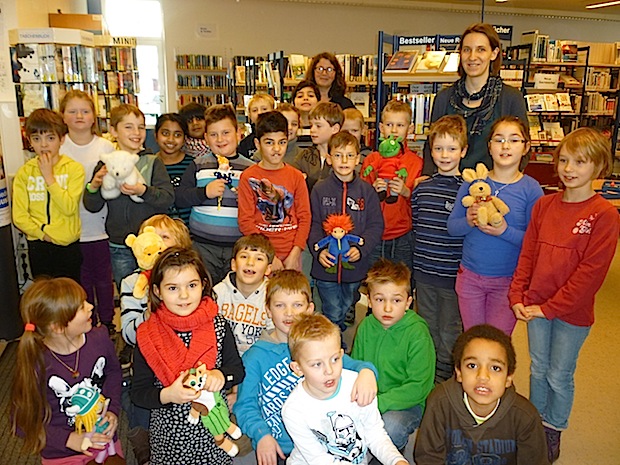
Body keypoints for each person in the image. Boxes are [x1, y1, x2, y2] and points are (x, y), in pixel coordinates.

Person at [508, 127, 620, 463]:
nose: (569, 169)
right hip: (535, 306)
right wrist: (518, 294)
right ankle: (536, 426)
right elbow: (528, 253)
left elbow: (590, 275)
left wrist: (549, 308)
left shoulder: (605, 214)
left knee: (559, 373)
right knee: (538, 368)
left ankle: (553, 428)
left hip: (571, 314)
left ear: (599, 167)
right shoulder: (544, 205)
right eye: (564, 161)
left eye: (580, 162)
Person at [233, 270, 379, 465]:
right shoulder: (255, 357)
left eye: (297, 305)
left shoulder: (318, 346)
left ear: (309, 308)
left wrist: (367, 372)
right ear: (267, 310)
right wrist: (262, 435)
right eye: (279, 305)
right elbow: (245, 405)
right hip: (281, 447)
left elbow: (354, 365)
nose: (289, 313)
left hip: (324, 444)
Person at [130, 247, 245, 465]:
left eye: (191, 285)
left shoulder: (219, 325)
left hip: (213, 433)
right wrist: (168, 395)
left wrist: (220, 376)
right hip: (169, 438)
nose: (184, 295)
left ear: (203, 284)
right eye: (173, 288)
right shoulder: (147, 335)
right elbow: (139, 393)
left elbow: (237, 370)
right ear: (157, 291)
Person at [447, 116, 543, 335]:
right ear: (489, 147)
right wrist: (469, 221)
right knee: (472, 340)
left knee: (497, 343)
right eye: (499, 140)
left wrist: (504, 231)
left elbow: (534, 241)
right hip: (470, 277)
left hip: (508, 281)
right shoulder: (474, 184)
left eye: (514, 140)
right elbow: (452, 227)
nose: (505, 146)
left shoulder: (531, 189)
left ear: (526, 147)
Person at [11, 277, 124, 464]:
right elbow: (22, 422)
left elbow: (113, 373)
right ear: (57, 327)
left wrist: (112, 412)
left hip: (102, 438)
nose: (90, 307)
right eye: (81, 307)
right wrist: (69, 439)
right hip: (62, 451)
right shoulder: (37, 363)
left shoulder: (100, 338)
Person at [283, 313, 408, 465]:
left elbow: (375, 434)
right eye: (317, 364)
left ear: (342, 354)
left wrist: (396, 460)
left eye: (335, 359)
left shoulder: (358, 385)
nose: (329, 371)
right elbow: (319, 459)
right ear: (298, 368)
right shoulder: (294, 410)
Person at [414, 324, 548, 465]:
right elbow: (428, 458)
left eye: (495, 368)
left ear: (509, 378)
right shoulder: (439, 402)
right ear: (458, 373)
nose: (483, 376)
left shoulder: (525, 416)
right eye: (472, 366)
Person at [83, 104, 174, 288]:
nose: (136, 132)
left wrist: (143, 191)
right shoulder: (105, 163)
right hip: (120, 246)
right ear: (113, 131)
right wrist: (93, 185)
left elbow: (167, 199)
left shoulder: (153, 161)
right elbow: (92, 205)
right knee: (127, 293)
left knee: (156, 293)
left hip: (152, 245)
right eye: (128, 127)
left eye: (141, 127)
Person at [351, 259, 435, 454]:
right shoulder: (366, 326)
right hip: (370, 398)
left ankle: (392, 453)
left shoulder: (417, 333)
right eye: (380, 300)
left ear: (408, 302)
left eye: (396, 300)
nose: (388, 308)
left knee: (391, 426)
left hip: (407, 403)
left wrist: (379, 404)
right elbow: (355, 366)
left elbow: (418, 386)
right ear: (369, 300)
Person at [422, 23, 528, 175]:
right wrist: (428, 178)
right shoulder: (444, 98)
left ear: (494, 53)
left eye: (481, 49)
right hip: (447, 186)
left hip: (491, 188)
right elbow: (430, 144)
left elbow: (521, 149)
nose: (472, 57)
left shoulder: (511, 98)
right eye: (467, 50)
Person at [309, 131, 383, 340]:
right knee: (333, 311)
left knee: (347, 302)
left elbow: (376, 225)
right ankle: (336, 344)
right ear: (330, 158)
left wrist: (362, 248)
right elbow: (313, 224)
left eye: (350, 155)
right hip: (326, 268)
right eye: (339, 155)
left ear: (358, 159)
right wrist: (319, 251)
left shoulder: (366, 192)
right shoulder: (320, 189)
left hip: (355, 269)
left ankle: (337, 331)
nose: (344, 161)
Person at [412, 114, 467, 383]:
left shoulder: (467, 192)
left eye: (452, 148)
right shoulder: (422, 189)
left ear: (463, 151)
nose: (445, 155)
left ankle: (447, 375)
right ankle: (429, 371)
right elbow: (416, 226)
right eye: (438, 148)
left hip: (452, 275)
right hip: (423, 272)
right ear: (430, 150)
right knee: (427, 325)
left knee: (450, 328)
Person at [176, 104, 255, 284]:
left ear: (238, 134)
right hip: (203, 245)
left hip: (237, 247)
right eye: (213, 134)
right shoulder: (198, 165)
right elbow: (180, 198)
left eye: (226, 133)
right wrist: (204, 192)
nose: (220, 139)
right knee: (205, 290)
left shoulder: (249, 169)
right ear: (206, 138)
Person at [59, 90, 116, 333]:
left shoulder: (106, 146)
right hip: (72, 226)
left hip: (101, 225)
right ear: (63, 116)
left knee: (104, 280)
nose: (79, 116)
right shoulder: (59, 146)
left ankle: (108, 322)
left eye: (85, 111)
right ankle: (85, 324)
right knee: (81, 281)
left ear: (94, 116)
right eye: (72, 111)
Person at [12, 108, 85, 283]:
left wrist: (49, 177)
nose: (44, 145)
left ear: (61, 139)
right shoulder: (24, 173)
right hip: (39, 244)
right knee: (45, 298)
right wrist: (42, 234)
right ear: (29, 141)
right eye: (37, 139)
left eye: (50, 138)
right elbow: (19, 216)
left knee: (70, 298)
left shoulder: (74, 169)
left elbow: (68, 208)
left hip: (68, 245)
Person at [238, 111, 311, 271]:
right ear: (257, 144)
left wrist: (296, 252)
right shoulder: (248, 177)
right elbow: (246, 221)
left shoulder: (296, 176)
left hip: (293, 254)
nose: (277, 149)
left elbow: (304, 217)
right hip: (261, 255)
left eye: (282, 142)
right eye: (269, 143)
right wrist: (269, 255)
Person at [361, 100, 423, 287]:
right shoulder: (371, 160)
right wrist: (372, 191)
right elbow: (359, 199)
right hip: (375, 235)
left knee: (402, 287)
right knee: (375, 286)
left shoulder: (416, 162)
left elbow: (421, 203)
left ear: (409, 128)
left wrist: (406, 192)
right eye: (389, 125)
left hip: (403, 235)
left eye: (400, 125)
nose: (394, 130)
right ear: (381, 128)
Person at [120, 214, 192, 346]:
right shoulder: (132, 283)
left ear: (180, 245)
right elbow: (128, 336)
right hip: (149, 350)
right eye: (151, 237)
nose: (156, 242)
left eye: (164, 237)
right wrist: (148, 314)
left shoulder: (190, 278)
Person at [214, 233, 276, 356]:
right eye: (244, 256)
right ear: (233, 264)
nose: (250, 263)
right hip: (224, 356)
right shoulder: (218, 292)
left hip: (260, 357)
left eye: (258, 259)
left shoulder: (273, 295)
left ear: (268, 269)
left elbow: (275, 334)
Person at [293, 101, 343, 192]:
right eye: (311, 125)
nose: (312, 130)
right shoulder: (304, 156)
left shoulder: (343, 157)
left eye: (318, 126)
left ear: (335, 129)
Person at [154, 113, 193, 224]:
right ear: (156, 135)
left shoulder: (194, 165)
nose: (170, 139)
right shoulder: (150, 164)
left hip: (188, 233)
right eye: (165, 133)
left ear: (185, 138)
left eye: (177, 135)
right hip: (157, 232)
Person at [238, 93, 276, 160]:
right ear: (249, 115)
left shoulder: (279, 137)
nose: (259, 113)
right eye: (255, 110)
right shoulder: (245, 143)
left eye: (264, 109)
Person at [292, 80, 320, 147]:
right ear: (293, 103)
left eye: (310, 95)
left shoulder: (324, 127)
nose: (305, 98)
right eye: (300, 96)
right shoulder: (289, 126)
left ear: (318, 101)